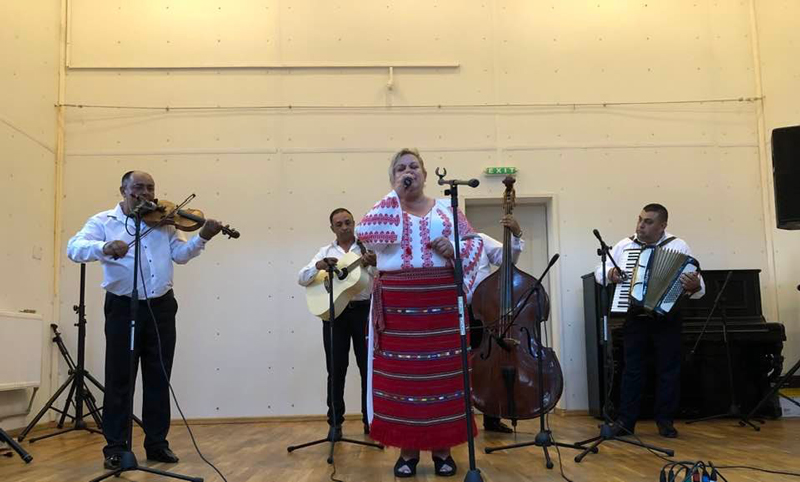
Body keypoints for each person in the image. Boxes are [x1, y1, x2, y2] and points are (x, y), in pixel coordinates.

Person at [66, 171, 223, 469]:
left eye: (151, 187)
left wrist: (202, 237)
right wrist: (103, 247)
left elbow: (181, 255)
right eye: (139, 187)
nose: (147, 193)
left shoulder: (165, 222)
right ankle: (116, 447)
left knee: (159, 377)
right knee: (119, 379)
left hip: (161, 307)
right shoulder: (104, 221)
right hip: (123, 307)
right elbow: (73, 248)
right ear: (123, 190)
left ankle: (157, 443)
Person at [356, 148, 485, 478]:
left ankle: (443, 451)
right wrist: (395, 194)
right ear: (392, 177)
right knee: (403, 381)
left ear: (425, 174)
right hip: (398, 308)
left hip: (442, 303)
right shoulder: (386, 210)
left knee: (444, 377)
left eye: (413, 166)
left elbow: (474, 242)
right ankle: (407, 451)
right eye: (400, 168)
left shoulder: (446, 209)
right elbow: (365, 235)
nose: (408, 172)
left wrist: (453, 249)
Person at [594, 203, 704, 438]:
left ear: (662, 226)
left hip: (667, 317)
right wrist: (610, 274)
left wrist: (695, 286)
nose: (641, 225)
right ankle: (625, 422)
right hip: (635, 317)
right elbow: (599, 271)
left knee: (668, 370)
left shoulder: (678, 245)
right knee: (632, 370)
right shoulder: (625, 245)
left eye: (648, 222)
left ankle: (665, 421)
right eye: (640, 220)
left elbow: (697, 284)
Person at [297, 208, 376, 439]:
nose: (344, 227)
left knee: (367, 369)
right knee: (336, 369)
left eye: (348, 222)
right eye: (339, 224)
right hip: (335, 315)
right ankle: (335, 423)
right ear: (332, 228)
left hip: (363, 312)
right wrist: (319, 266)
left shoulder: (367, 248)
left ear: (354, 223)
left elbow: (381, 275)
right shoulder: (325, 251)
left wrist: (374, 264)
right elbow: (301, 278)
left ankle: (370, 421)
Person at [469, 217, 525, 434]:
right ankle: (459, 418)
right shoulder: (443, 243)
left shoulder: (480, 240)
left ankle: (492, 418)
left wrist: (516, 235)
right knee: (457, 364)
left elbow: (508, 259)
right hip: (453, 310)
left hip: (483, 312)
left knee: (491, 363)